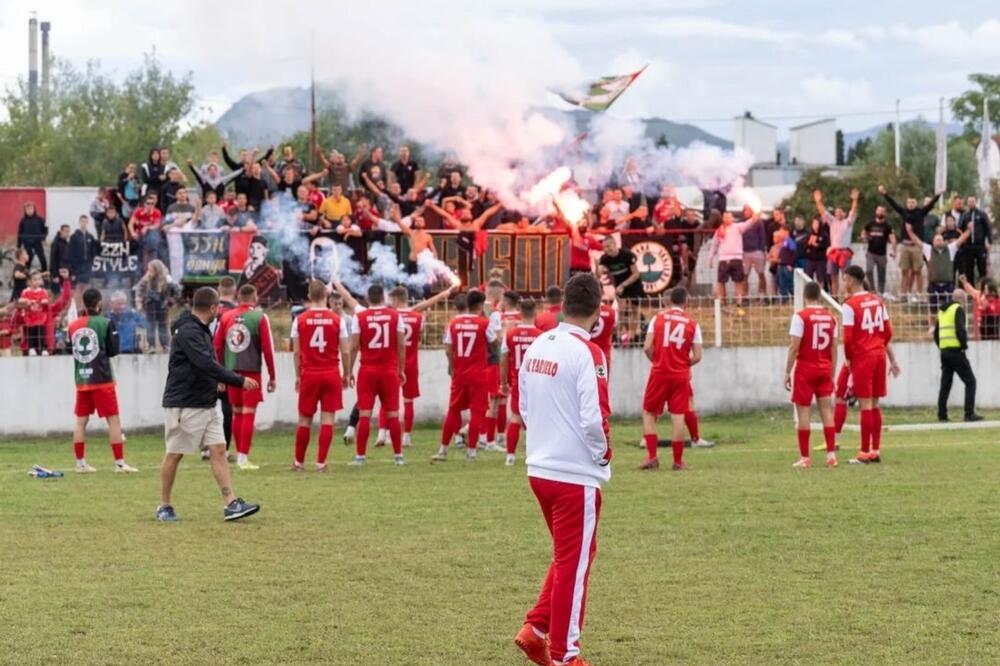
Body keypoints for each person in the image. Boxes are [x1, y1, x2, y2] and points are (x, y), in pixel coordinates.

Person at [514, 272, 610, 666]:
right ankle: (566, 654)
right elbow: (594, 417)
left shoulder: (538, 344)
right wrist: (603, 455)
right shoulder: (589, 353)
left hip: (540, 467)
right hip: (574, 474)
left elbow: (523, 405)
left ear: (563, 305)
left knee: (571, 554)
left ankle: (536, 629)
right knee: (573, 563)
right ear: (598, 310)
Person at [158, 286, 261, 522]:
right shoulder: (189, 331)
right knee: (174, 454)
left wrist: (217, 382)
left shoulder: (200, 329)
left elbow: (207, 362)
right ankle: (164, 505)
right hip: (185, 403)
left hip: (207, 402)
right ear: (213, 308)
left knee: (219, 449)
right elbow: (204, 363)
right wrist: (238, 380)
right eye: (218, 307)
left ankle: (231, 503)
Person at [68, 288, 138, 474]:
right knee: (113, 420)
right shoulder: (106, 322)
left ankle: (80, 464)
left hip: (82, 379)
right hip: (102, 379)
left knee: (81, 421)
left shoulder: (73, 326)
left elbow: (72, 349)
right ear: (99, 303)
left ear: (84, 303)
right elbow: (113, 351)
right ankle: (120, 464)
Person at [341, 282, 406, 466]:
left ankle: (360, 457)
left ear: (368, 298)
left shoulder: (360, 317)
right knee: (393, 414)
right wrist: (401, 369)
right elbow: (401, 345)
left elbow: (354, 346)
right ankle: (398, 456)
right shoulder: (395, 316)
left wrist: (349, 371)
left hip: (368, 370)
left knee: (364, 414)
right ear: (384, 297)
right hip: (389, 370)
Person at [841, 265, 900, 464]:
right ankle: (875, 450)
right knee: (875, 403)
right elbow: (888, 331)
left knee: (865, 404)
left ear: (851, 280)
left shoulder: (849, 305)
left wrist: (849, 358)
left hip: (863, 357)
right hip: (879, 355)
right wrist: (878, 343)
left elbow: (848, 338)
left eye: (844, 279)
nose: (844, 283)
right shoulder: (877, 300)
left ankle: (864, 453)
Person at [214, 284, 277, 470]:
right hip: (251, 372)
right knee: (248, 413)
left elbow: (217, 346)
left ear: (238, 296)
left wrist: (220, 375)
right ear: (255, 297)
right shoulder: (260, 317)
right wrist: (272, 376)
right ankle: (243, 458)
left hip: (231, 372)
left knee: (237, 413)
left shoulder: (226, 317)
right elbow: (268, 349)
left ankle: (240, 456)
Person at [639, 287, 702, 471]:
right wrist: (683, 364)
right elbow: (698, 356)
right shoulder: (693, 323)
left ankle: (652, 457)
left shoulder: (657, 318)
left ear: (669, 300)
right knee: (678, 415)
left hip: (659, 373)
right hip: (680, 375)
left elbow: (647, 347)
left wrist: (657, 360)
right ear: (686, 301)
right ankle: (678, 461)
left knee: (649, 413)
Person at [291, 280, 351, 472]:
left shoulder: (299, 319)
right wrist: (347, 373)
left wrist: (298, 375)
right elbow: (346, 351)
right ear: (326, 296)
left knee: (304, 419)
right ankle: (320, 463)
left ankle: (299, 463)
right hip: (331, 372)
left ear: (309, 296)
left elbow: (296, 353)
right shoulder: (337, 320)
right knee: (328, 419)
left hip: (309, 373)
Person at [432, 288, 497, 462]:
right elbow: (494, 342)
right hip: (479, 374)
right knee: (477, 412)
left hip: (460, 374)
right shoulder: (484, 323)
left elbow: (448, 350)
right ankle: (471, 452)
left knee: (453, 410)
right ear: (481, 305)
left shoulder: (453, 323)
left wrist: (453, 368)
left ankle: (443, 450)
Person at [389, 284, 456, 448]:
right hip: (411, 363)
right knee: (408, 401)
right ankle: (407, 436)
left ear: (396, 299)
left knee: (389, 400)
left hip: (393, 362)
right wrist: (440, 296)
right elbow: (419, 311)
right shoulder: (417, 317)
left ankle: (384, 434)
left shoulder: (391, 316)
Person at [784, 281, 839, 468]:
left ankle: (805, 458)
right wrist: (832, 373)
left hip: (806, 369)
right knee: (827, 411)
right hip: (824, 368)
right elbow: (834, 348)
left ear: (804, 296)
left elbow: (794, 347)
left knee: (803, 412)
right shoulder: (831, 318)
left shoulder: (800, 317)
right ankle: (831, 455)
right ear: (820, 296)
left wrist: (787, 371)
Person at [879, 185, 941, 302]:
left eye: (913, 202)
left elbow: (930, 204)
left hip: (917, 246)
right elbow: (893, 204)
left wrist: (938, 195)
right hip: (905, 246)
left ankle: (919, 295)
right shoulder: (903, 212)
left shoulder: (921, 212)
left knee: (917, 271)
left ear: (916, 203)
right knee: (904, 271)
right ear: (906, 203)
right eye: (909, 202)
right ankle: (903, 295)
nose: (911, 204)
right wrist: (884, 194)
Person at [500, 298, 542, 466]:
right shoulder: (540, 336)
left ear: (520, 313)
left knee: (516, 418)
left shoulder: (510, 334)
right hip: (537, 382)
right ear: (535, 312)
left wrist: (503, 383)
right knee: (537, 419)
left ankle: (510, 456)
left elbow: (504, 359)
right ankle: (535, 454)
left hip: (518, 381)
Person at [934, 289, 981, 422]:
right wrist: (964, 346)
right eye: (965, 299)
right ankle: (969, 413)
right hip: (956, 351)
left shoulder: (942, 311)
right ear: (962, 299)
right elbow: (960, 330)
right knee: (970, 381)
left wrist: (942, 346)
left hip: (944, 352)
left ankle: (942, 415)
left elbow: (936, 334)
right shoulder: (958, 309)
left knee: (945, 384)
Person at [707, 210, 762, 303]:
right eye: (725, 217)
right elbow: (714, 245)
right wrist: (710, 258)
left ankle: (739, 303)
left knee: (738, 282)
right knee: (721, 282)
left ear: (732, 218)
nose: (727, 219)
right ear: (723, 218)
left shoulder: (738, 227)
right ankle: (721, 302)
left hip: (736, 259)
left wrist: (754, 218)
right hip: (723, 259)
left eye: (728, 217)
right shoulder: (720, 230)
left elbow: (748, 224)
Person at [813, 188, 859, 297]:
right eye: (836, 212)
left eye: (840, 212)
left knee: (847, 276)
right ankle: (835, 297)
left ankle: (848, 295)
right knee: (833, 276)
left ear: (844, 213)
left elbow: (853, 211)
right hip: (834, 252)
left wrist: (855, 200)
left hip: (844, 252)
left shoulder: (847, 222)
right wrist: (818, 201)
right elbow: (823, 212)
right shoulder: (832, 221)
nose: (837, 213)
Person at [134, 259, 176, 352]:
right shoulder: (146, 279)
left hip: (162, 306)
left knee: (163, 326)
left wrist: (170, 301)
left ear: (157, 270)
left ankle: (165, 346)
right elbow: (139, 289)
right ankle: (151, 346)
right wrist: (139, 301)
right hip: (150, 306)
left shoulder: (167, 279)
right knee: (150, 326)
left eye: (151, 269)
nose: (149, 271)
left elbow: (175, 291)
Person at [956, 196, 992, 285]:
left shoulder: (982, 214)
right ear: (967, 203)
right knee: (969, 269)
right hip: (968, 246)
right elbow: (959, 228)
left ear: (975, 202)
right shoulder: (964, 215)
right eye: (969, 201)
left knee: (982, 268)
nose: (971, 203)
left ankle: (984, 288)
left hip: (980, 245)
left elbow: (988, 227)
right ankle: (971, 289)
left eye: (973, 201)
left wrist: (989, 241)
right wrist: (962, 239)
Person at [861, 205, 897, 295]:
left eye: (882, 211)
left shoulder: (887, 226)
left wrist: (894, 251)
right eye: (879, 210)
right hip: (871, 253)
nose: (880, 212)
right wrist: (864, 237)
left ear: (885, 213)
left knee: (881, 275)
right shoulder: (870, 224)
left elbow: (893, 239)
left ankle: (881, 293)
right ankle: (872, 290)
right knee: (869, 271)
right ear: (876, 212)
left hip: (882, 254)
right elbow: (863, 233)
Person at [598, 235, 643, 300]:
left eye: (608, 246)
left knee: (635, 306)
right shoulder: (604, 258)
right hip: (619, 286)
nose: (606, 250)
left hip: (633, 284)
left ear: (614, 244)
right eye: (604, 247)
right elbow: (598, 275)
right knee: (621, 306)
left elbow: (636, 274)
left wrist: (623, 285)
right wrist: (597, 265)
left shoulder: (627, 254)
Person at [589, 297, 617, 378]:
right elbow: (614, 330)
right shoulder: (612, 312)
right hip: (603, 356)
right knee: (601, 380)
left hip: (587, 354)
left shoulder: (585, 311)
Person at [17, 202, 48, 272]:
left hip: (37, 243)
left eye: (31, 208)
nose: (29, 210)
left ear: (34, 209)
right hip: (27, 244)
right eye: (27, 209)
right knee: (27, 261)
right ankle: (25, 274)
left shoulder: (40, 219)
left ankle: (45, 273)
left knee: (42, 260)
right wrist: (18, 245)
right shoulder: (23, 221)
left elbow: (45, 229)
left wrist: (43, 238)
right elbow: (19, 233)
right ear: (25, 210)